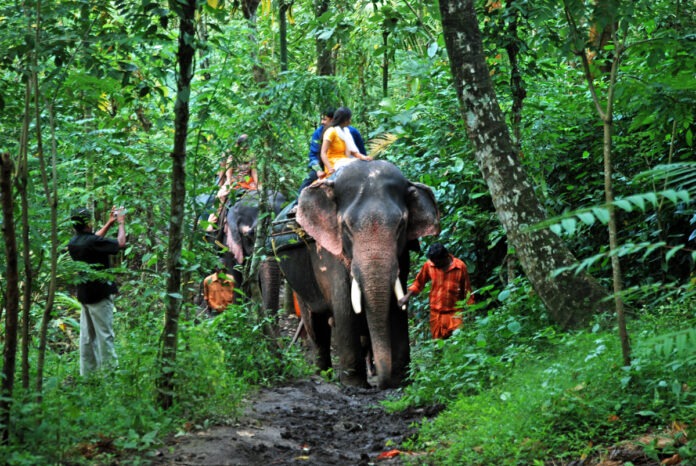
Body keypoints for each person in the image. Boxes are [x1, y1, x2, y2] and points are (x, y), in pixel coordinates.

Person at [68, 206, 126, 375]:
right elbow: (121, 243)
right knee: (105, 336)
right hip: (100, 295)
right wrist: (121, 224)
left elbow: (92, 239)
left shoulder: (74, 243)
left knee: (86, 338)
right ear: (88, 222)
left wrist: (109, 223)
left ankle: (87, 375)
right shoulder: (93, 242)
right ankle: (110, 376)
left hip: (85, 296)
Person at [398, 242, 474, 340]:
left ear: (446, 257)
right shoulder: (429, 265)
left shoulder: (460, 267)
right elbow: (418, 283)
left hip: (455, 313)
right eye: (433, 262)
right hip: (436, 314)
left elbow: (467, 290)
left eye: (438, 263)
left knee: (458, 343)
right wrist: (406, 297)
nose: (435, 265)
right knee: (439, 346)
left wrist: (470, 311)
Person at [319, 106, 371, 177]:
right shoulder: (331, 132)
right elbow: (323, 153)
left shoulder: (346, 132)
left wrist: (364, 157)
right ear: (344, 120)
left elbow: (352, 151)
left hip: (344, 160)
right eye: (349, 119)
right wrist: (330, 168)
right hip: (333, 163)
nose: (350, 121)